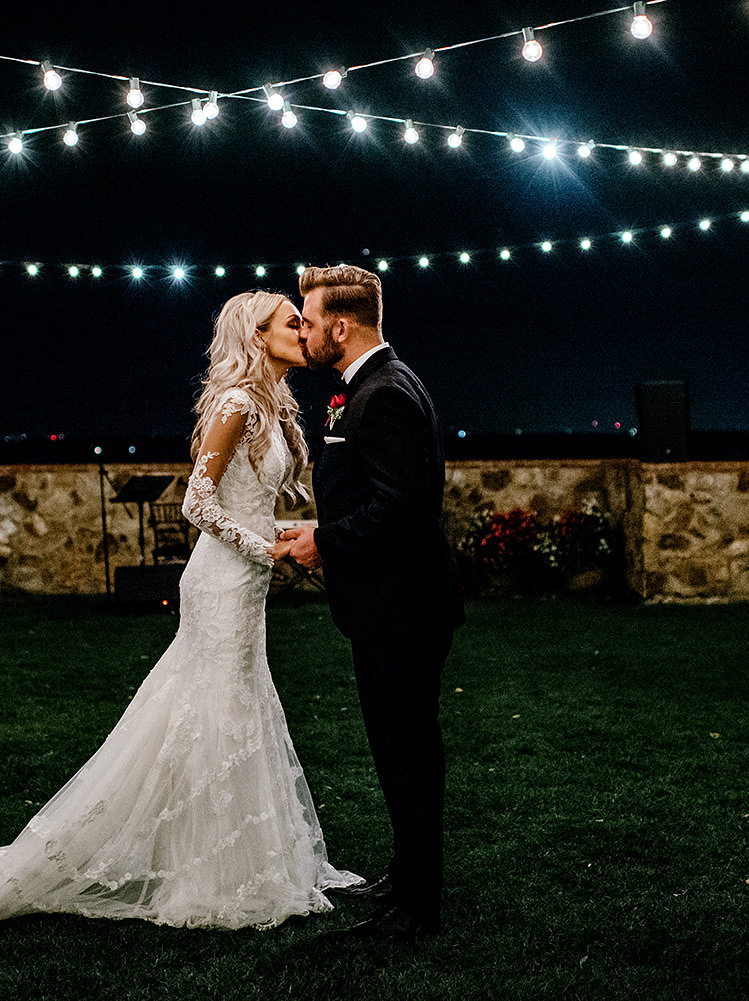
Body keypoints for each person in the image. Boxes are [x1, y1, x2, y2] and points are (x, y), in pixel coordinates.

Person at [0, 291, 360, 951]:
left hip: (249, 581)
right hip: (221, 580)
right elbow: (197, 505)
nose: (304, 328)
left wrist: (282, 533)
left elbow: (247, 498)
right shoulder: (236, 404)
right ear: (256, 334)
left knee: (237, 707)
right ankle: (211, 876)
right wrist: (264, 547)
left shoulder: (270, 408)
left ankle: (246, 859)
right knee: (215, 711)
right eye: (291, 321)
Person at [281, 264, 464, 942]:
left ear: (341, 324)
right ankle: (408, 871)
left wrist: (324, 542)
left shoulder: (383, 393)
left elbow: (402, 505)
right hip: (395, 604)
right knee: (401, 749)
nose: (302, 329)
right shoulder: (376, 384)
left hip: (402, 607)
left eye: (307, 317)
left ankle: (416, 907)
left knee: (407, 750)